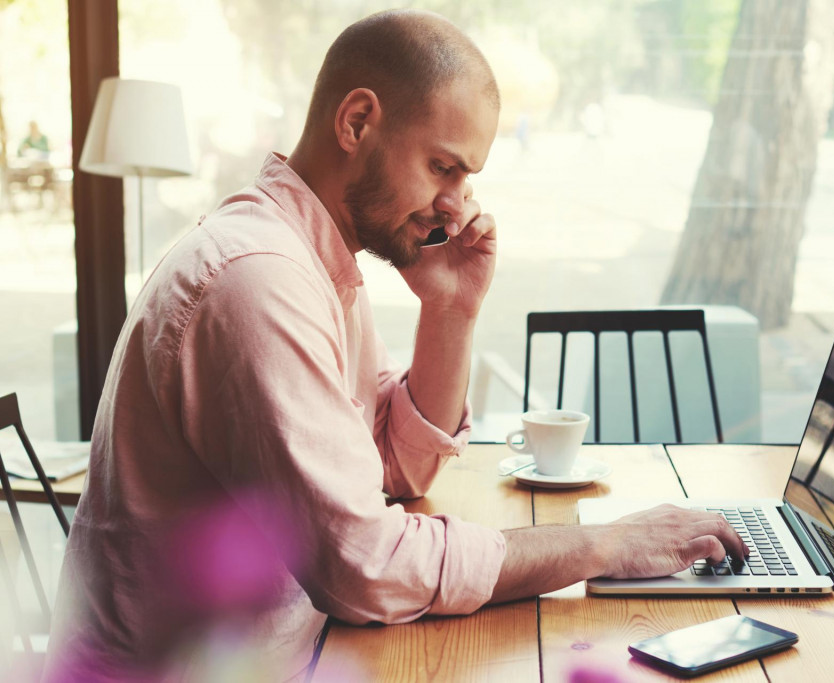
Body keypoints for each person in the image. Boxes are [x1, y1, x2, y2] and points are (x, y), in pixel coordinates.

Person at [45, 9, 746, 681]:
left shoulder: (313, 263)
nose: (458, 203)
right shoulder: (258, 282)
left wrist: (449, 309)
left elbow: (391, 466)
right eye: (444, 167)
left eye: (466, 177)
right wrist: (604, 545)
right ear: (356, 121)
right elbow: (364, 563)